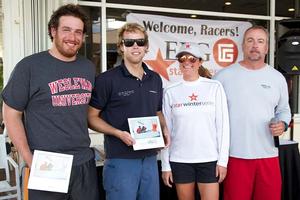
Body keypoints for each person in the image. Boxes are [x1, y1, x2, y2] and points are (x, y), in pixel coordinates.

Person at [1, 4, 100, 200]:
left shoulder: (87, 67)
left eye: (78, 32)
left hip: (83, 162)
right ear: (53, 31)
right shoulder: (29, 66)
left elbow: (88, 111)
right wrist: (29, 159)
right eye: (66, 30)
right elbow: (11, 114)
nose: (73, 37)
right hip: (47, 163)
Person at [87, 22, 170, 200]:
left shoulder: (155, 79)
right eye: (129, 42)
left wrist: (164, 128)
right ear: (121, 47)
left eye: (140, 42)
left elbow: (157, 112)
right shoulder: (106, 80)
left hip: (149, 158)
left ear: (146, 47)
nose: (135, 46)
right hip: (120, 159)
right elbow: (91, 117)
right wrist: (118, 133)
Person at [213, 25, 291, 200]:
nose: (255, 45)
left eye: (260, 41)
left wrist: (283, 124)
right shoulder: (223, 77)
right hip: (235, 156)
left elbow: (284, 110)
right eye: (250, 40)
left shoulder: (277, 78)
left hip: (268, 156)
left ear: (266, 48)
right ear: (242, 45)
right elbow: (212, 117)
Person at [161, 42, 230, 200]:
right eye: (182, 58)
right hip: (180, 160)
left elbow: (223, 127)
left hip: (209, 159)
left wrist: (223, 162)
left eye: (192, 59)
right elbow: (166, 132)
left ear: (199, 62)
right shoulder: (170, 91)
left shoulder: (214, 87)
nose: (187, 62)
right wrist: (166, 165)